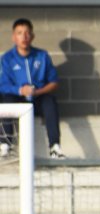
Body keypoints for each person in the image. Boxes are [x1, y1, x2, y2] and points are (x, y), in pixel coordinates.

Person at [0, 18, 65, 159]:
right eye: (19, 33)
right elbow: (3, 85)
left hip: (37, 98)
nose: (24, 37)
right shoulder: (7, 58)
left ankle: (55, 147)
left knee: (50, 101)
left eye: (27, 33)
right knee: (6, 100)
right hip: (17, 98)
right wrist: (20, 90)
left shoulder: (42, 56)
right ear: (13, 37)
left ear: (32, 36)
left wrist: (37, 92)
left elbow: (54, 82)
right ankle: (5, 145)